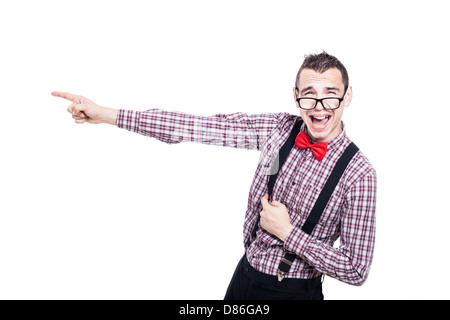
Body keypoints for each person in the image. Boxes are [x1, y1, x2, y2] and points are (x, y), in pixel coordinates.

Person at [52, 52, 376, 300]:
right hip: (244, 275)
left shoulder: (359, 174)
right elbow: (198, 126)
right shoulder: (278, 129)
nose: (319, 106)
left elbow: (356, 269)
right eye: (309, 94)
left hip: (292, 291)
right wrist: (108, 114)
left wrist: (288, 233)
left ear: (347, 96)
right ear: (296, 96)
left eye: (330, 93)